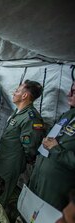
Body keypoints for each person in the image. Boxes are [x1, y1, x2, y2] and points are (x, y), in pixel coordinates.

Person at [0, 80, 45, 210]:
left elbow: (31, 147)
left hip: (11, 163)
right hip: (3, 158)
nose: (14, 93)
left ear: (25, 95)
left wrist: (20, 161)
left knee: (1, 195)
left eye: (17, 91)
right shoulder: (19, 112)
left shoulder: (31, 118)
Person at [28, 82, 75, 211]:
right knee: (28, 212)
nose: (68, 94)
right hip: (39, 176)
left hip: (56, 187)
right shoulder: (68, 115)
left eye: (74, 91)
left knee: (43, 222)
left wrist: (57, 150)